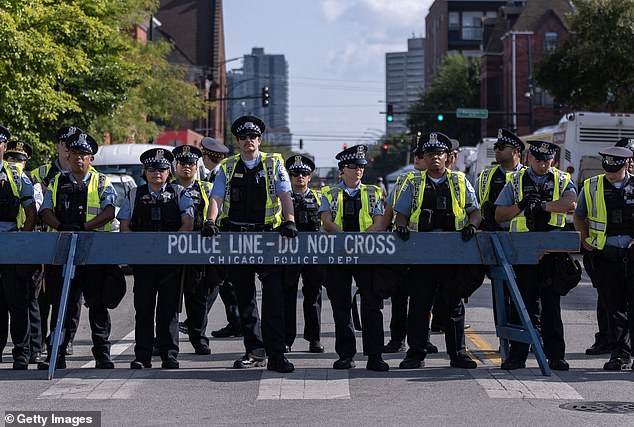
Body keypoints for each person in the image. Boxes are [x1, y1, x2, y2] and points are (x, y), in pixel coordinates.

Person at [200, 115, 298, 373]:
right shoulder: (228, 166)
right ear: (237, 142)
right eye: (243, 138)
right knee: (245, 300)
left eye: (252, 137)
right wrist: (211, 221)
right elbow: (217, 195)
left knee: (274, 300)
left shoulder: (273, 162)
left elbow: (285, 192)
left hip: (268, 239)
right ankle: (254, 352)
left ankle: (277, 355)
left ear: (260, 140)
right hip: (238, 239)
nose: (248, 141)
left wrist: (289, 221)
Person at [393, 132, 480, 369]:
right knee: (420, 306)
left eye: (439, 154)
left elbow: (475, 210)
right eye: (430, 154)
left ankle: (458, 354)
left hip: (453, 254)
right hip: (422, 256)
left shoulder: (460, 181)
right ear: (424, 157)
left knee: (453, 306)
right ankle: (415, 354)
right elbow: (400, 213)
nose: (434, 158)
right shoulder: (414, 182)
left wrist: (472, 226)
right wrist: (400, 228)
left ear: (447, 157)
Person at [495, 140, 577, 371]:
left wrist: (542, 206)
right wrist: (521, 206)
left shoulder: (562, 179)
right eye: (538, 160)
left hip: (552, 255)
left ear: (554, 160)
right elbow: (500, 214)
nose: (542, 165)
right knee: (521, 306)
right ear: (529, 158)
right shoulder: (515, 181)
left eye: (547, 161)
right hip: (523, 254)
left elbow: (571, 202)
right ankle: (517, 356)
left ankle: (556, 356)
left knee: (552, 308)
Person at [38, 132, 117, 370]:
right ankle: (57, 355)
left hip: (93, 254)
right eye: (74, 154)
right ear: (68, 156)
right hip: (63, 254)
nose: (78, 159)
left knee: (98, 306)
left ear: (91, 158)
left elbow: (110, 210)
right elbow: (46, 210)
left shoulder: (102, 181)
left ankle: (102, 355)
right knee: (62, 305)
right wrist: (61, 226)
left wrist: (85, 227)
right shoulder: (57, 182)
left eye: (83, 155)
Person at [118, 148, 194, 369]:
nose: (156, 173)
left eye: (161, 169)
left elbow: (187, 223)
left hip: (170, 263)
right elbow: (124, 224)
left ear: (169, 172)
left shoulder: (180, 193)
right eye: (152, 169)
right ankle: (142, 356)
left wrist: (173, 248)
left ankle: (169, 354)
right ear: (145, 172)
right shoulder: (134, 194)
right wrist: (136, 249)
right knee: (143, 309)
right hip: (144, 263)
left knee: (168, 310)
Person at [319, 144, 389, 371]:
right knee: (341, 306)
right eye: (353, 166)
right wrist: (346, 241)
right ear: (342, 170)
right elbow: (327, 222)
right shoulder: (329, 193)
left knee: (372, 305)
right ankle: (346, 355)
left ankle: (375, 356)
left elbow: (379, 222)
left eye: (361, 166)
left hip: (366, 255)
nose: (358, 170)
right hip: (338, 256)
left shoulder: (374, 192)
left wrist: (360, 241)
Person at [574, 146, 634, 371]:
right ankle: (619, 354)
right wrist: (585, 237)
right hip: (606, 256)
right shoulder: (591, 186)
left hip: (632, 255)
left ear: (626, 165)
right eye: (607, 168)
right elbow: (579, 215)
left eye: (615, 170)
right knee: (614, 308)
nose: (610, 174)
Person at [31, 125, 84, 358]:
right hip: (47, 243)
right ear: (58, 146)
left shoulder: (86, 172)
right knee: (43, 296)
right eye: (64, 143)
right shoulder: (40, 173)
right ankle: (40, 339)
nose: (67, 148)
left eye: (72, 144)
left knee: (73, 295)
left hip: (77, 243)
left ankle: (66, 338)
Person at [382, 143, 438, 355]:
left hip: (427, 250)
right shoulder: (404, 180)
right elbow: (389, 213)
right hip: (402, 246)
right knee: (400, 296)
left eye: (420, 155)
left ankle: (424, 338)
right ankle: (397, 339)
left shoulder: (446, 181)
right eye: (417, 155)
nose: (417, 159)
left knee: (424, 299)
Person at [3, 140, 45, 364]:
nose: (15, 163)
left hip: (19, 246)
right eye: (11, 158)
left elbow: (32, 213)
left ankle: (27, 350)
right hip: (12, 245)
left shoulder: (26, 181)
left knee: (24, 302)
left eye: (18, 160)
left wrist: (23, 241)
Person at [171, 145, 215, 355]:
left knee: (197, 298)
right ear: (176, 166)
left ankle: (199, 339)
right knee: (169, 299)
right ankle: (166, 342)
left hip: (199, 251)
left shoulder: (206, 189)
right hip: (171, 250)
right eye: (182, 163)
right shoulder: (167, 188)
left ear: (197, 167)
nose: (186, 167)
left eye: (190, 163)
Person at [0, 125, 37, 370]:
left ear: (3, 147)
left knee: (16, 302)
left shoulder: (15, 174)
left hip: (11, 246)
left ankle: (21, 353)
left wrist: (21, 241)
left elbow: (30, 211)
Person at [197, 137, 241, 339]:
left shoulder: (220, 175)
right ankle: (236, 322)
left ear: (206, 156)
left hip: (223, 232)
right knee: (228, 283)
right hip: (226, 232)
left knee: (214, 280)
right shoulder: (223, 171)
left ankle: (196, 321)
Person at [282, 155, 324, 353]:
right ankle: (287, 339)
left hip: (313, 253)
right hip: (288, 253)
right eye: (295, 174)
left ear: (310, 177)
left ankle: (314, 339)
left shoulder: (319, 197)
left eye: (304, 174)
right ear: (289, 177)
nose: (300, 177)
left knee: (313, 296)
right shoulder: (283, 197)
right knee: (287, 297)